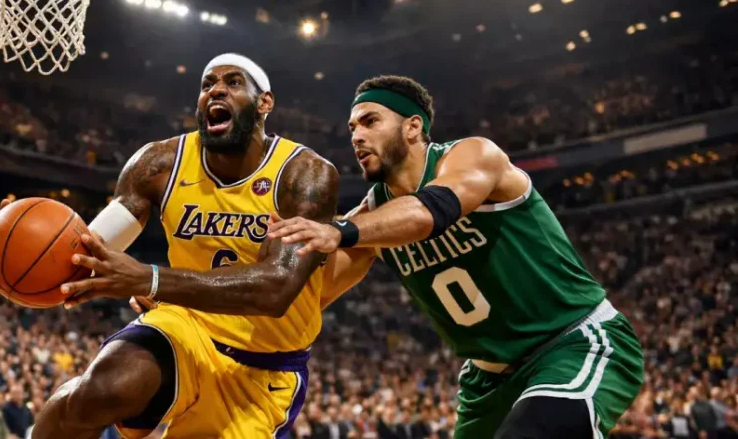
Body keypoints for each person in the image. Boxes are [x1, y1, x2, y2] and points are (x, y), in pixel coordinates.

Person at [0, 53, 339, 438]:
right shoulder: (161, 162)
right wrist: (15, 247)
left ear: (264, 102)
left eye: (233, 82)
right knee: (99, 391)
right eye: (207, 84)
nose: (216, 89)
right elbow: (88, 248)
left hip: (263, 365)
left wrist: (150, 280)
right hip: (185, 326)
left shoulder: (305, 173)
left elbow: (276, 288)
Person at [262, 75, 646, 438]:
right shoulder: (372, 218)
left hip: (574, 343)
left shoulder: (475, 156)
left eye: (370, 121)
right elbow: (314, 295)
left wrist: (340, 230)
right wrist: (272, 252)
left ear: (413, 127)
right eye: (352, 129)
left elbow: (430, 211)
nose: (357, 136)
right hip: (487, 378)